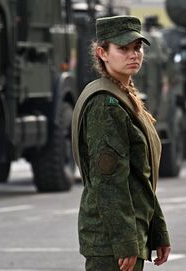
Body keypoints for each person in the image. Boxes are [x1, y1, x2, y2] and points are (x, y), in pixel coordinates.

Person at [71, 15, 171, 271]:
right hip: (111, 242)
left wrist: (157, 230)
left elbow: (142, 176)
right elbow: (109, 182)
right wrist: (125, 241)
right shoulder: (106, 104)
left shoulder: (126, 97)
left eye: (137, 48)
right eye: (123, 48)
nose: (133, 54)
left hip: (129, 234)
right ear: (102, 53)